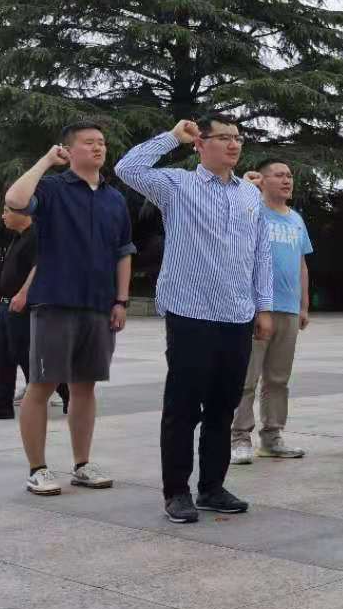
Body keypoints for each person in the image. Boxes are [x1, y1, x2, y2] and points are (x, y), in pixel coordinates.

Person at [116, 115, 269, 522]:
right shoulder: (177, 186)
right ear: (200, 144)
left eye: (238, 138)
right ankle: (177, 491)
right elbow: (127, 168)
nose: (234, 144)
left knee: (223, 406)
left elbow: (261, 253)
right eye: (224, 137)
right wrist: (171, 137)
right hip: (190, 313)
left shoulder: (250, 194)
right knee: (183, 407)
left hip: (237, 313)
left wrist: (263, 306)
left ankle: (212, 487)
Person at [2, 125, 133, 496]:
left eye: (102, 142)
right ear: (69, 149)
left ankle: (82, 464)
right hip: (55, 302)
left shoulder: (114, 199)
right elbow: (15, 200)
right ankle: (37, 469)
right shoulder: (52, 188)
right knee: (41, 385)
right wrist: (46, 160)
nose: (98, 148)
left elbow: (123, 251)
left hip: (99, 304)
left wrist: (121, 300)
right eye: (89, 142)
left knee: (85, 387)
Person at [230, 158, 312, 464]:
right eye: (279, 175)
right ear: (262, 181)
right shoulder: (253, 212)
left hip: (288, 308)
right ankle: (239, 438)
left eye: (289, 175)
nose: (287, 180)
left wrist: (303, 305)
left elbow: (302, 264)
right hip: (256, 308)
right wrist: (244, 188)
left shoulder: (296, 220)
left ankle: (272, 437)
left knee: (278, 379)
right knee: (246, 378)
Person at [0, 209, 59, 421]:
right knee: (2, 354)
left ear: (23, 212)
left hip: (24, 304)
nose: (3, 216)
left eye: (6, 211)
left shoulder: (36, 234)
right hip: (8, 304)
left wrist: (24, 293)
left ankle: (60, 390)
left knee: (23, 353)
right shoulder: (18, 237)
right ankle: (2, 404)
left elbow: (41, 265)